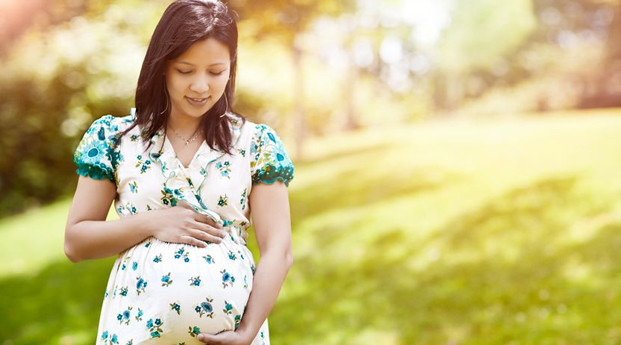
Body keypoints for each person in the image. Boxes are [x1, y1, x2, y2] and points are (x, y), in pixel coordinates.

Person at [64, 1, 294, 344]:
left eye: (215, 71)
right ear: (162, 67)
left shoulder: (255, 143)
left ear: (231, 68)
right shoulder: (115, 139)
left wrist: (247, 332)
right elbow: (75, 241)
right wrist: (152, 222)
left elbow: (279, 249)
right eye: (185, 71)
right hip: (134, 333)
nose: (201, 86)